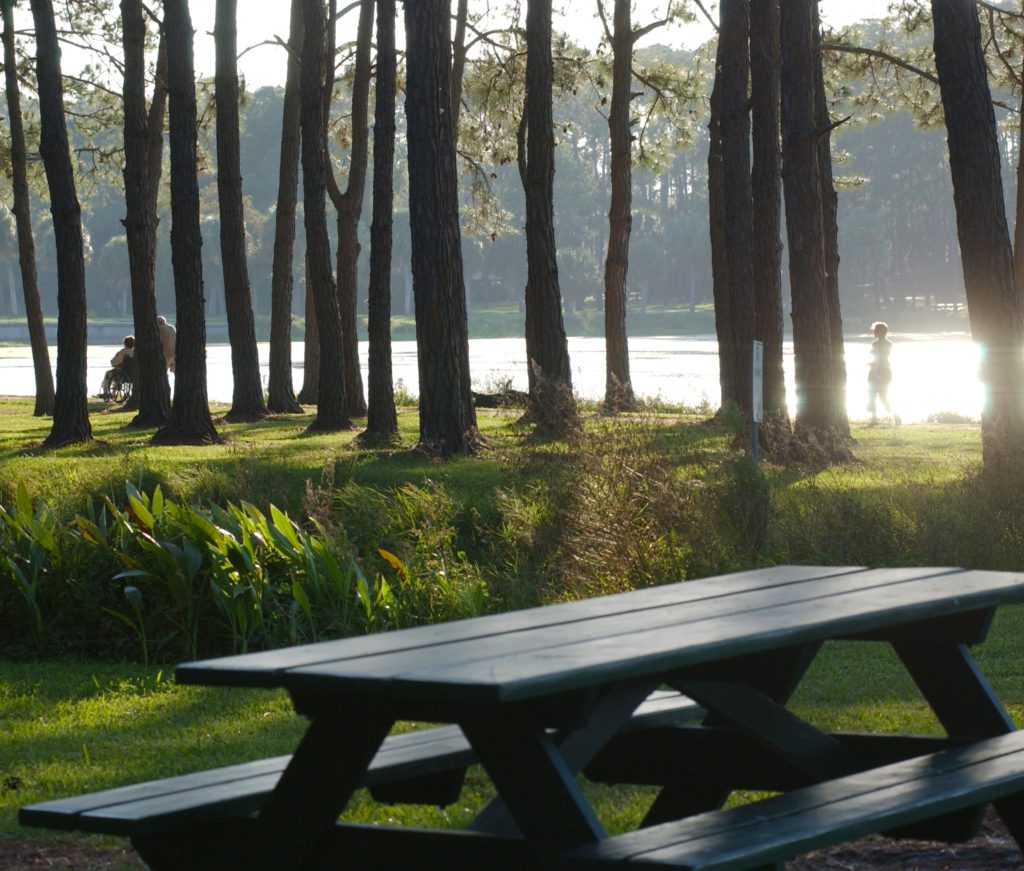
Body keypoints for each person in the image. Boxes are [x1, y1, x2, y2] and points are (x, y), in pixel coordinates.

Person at [867, 321, 897, 425]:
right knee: (884, 396)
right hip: (887, 371)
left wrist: (874, 372)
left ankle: (874, 419)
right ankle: (896, 416)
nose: (873, 333)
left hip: (878, 371)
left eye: (875, 331)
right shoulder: (889, 344)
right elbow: (883, 358)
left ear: (879, 332)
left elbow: (878, 359)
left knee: (871, 395)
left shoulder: (875, 344)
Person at [99, 335, 136, 400]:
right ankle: (113, 393)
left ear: (125, 343)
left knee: (108, 373)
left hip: (122, 374)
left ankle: (106, 392)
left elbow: (113, 363)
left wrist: (113, 362)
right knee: (117, 375)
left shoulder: (122, 352)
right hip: (133, 375)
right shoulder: (135, 352)